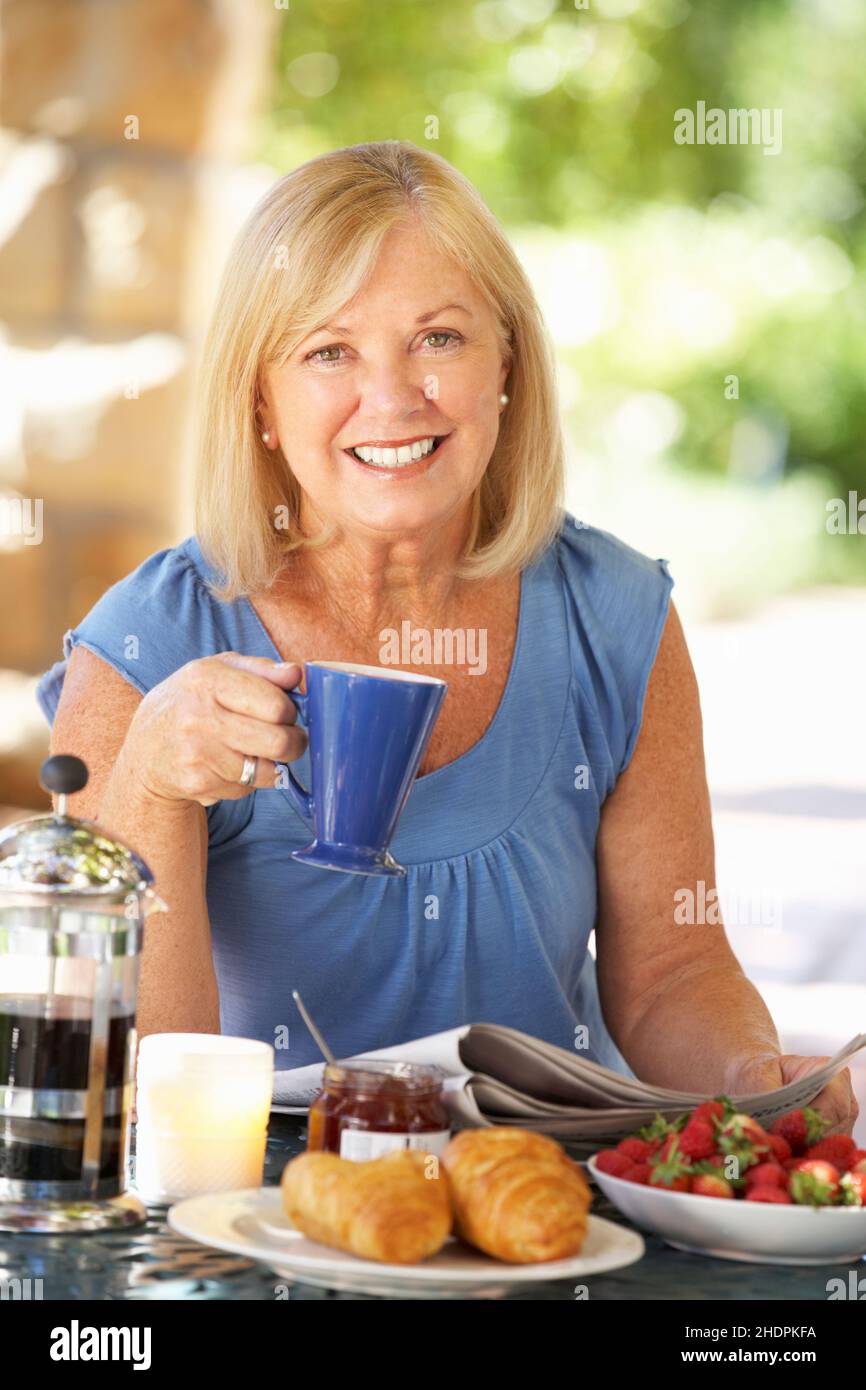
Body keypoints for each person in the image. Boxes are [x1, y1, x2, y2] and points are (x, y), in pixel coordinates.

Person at [37, 141, 856, 1133]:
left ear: (504, 362)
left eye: (438, 339)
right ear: (259, 401)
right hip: (248, 1226)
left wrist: (755, 1078)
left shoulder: (613, 614)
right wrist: (153, 789)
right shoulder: (146, 642)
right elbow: (108, 1074)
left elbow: (671, 971)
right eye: (328, 350)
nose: (390, 398)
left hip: (541, 1224)